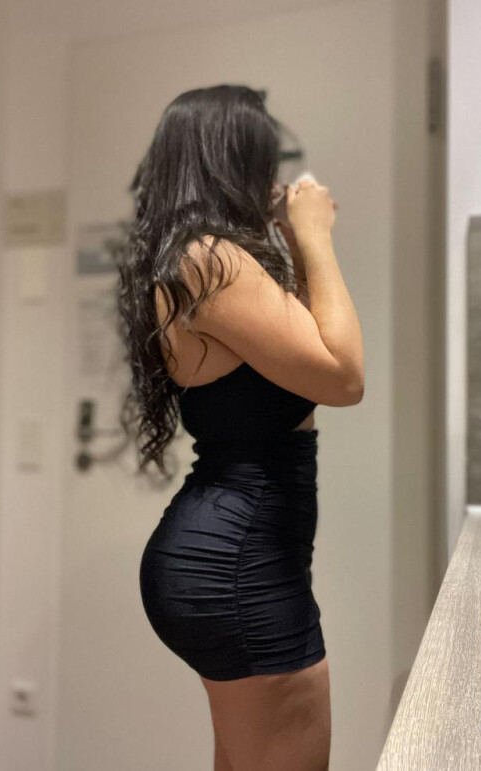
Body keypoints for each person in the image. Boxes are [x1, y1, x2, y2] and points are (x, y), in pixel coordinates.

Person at [114, 84, 364, 771]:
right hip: (239, 560)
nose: (274, 180)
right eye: (265, 161)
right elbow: (344, 376)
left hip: (234, 553)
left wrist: (295, 243)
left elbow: (310, 353)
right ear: (231, 162)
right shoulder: (209, 260)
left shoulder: (195, 259)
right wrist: (315, 235)